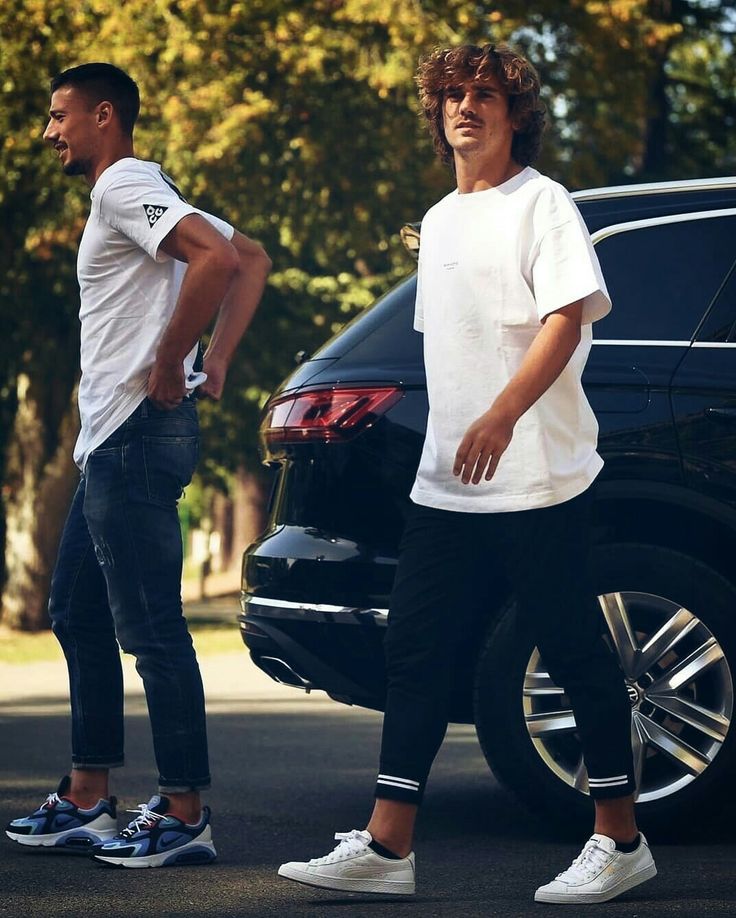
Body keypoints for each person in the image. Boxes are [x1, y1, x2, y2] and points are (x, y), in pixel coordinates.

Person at [278, 43, 656, 904]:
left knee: (571, 651)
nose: (465, 108)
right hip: (448, 483)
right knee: (414, 652)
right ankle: (388, 845)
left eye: (484, 94)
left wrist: (502, 413)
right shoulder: (441, 218)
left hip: (540, 476)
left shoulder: (543, 204)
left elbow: (566, 319)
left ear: (515, 113)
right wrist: (450, 433)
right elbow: (450, 353)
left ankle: (620, 839)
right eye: (451, 95)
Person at [5, 62, 270, 868]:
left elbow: (220, 264)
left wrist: (171, 359)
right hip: (113, 444)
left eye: (59, 116)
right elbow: (249, 255)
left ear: (103, 116)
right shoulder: (140, 195)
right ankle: (88, 796)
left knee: (151, 629)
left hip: (134, 436)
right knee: (76, 611)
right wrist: (216, 361)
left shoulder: (124, 185)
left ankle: (185, 811)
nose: (49, 132)